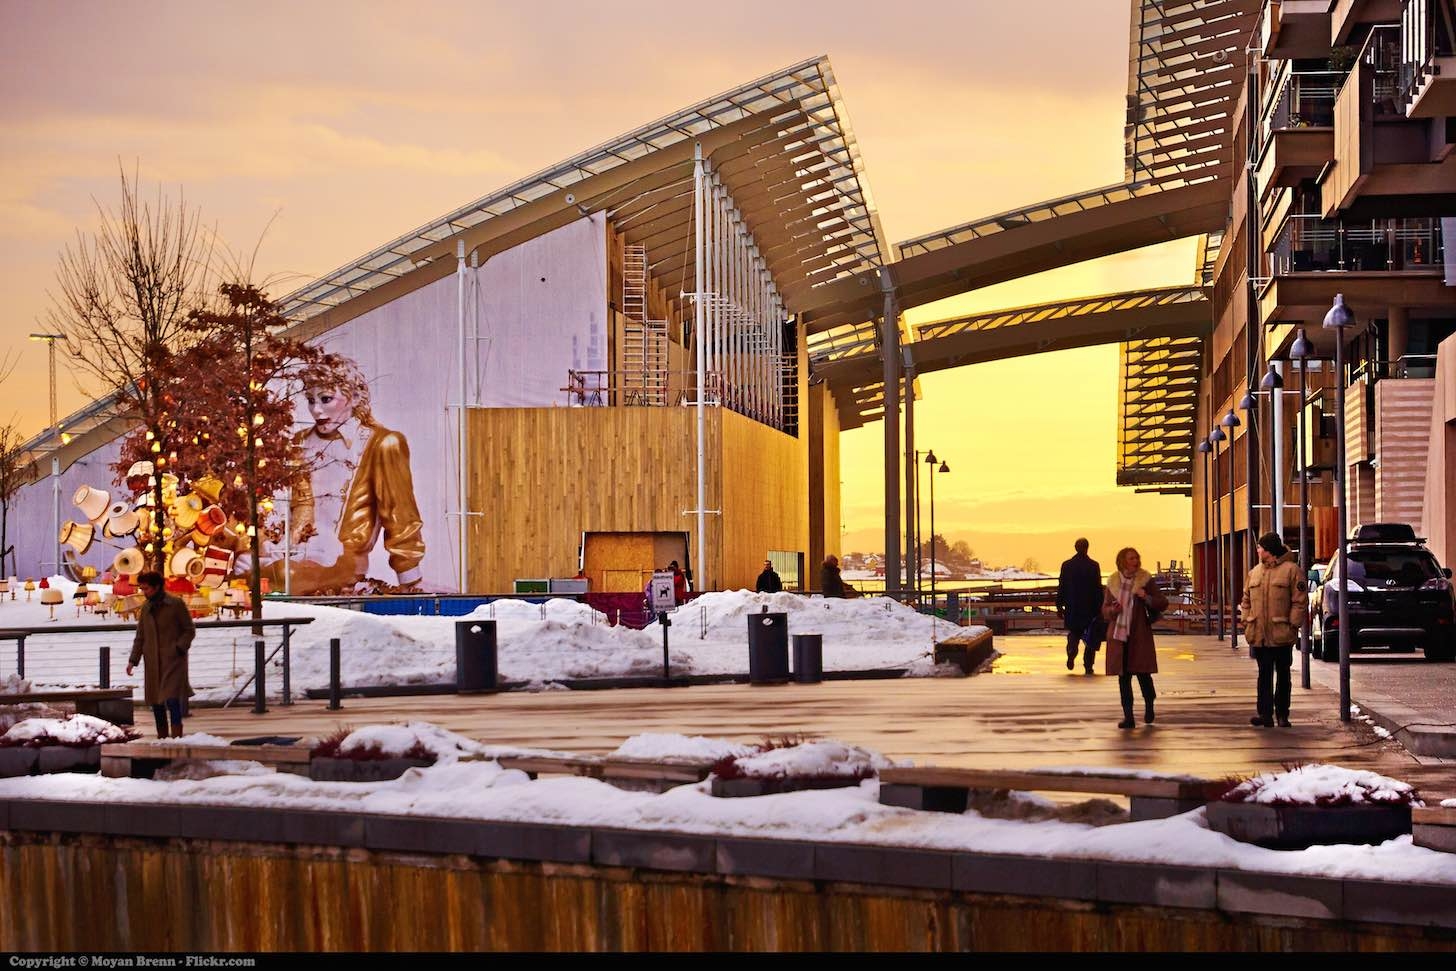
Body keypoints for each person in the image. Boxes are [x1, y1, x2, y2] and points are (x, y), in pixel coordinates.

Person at [267, 367, 426, 593]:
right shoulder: (297, 443)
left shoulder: (381, 443)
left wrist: (410, 580)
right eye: (311, 400)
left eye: (326, 399)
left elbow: (399, 513)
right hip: (290, 568)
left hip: (344, 571)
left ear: (354, 397)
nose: (316, 410)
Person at [1239, 532, 1308, 729]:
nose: (1258, 550)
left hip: (1282, 634)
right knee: (1264, 675)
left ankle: (1283, 714)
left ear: (1268, 550)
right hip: (1259, 635)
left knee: (1283, 676)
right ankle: (1265, 714)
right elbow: (1245, 600)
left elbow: (1300, 600)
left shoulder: (1291, 571)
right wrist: (1247, 620)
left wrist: (1292, 624)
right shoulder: (1254, 573)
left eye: (1260, 547)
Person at [1101, 547, 1167, 730]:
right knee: (1124, 678)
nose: (1135, 561)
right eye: (1131, 558)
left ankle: (1149, 706)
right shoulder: (1113, 582)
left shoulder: (1145, 580)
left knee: (1144, 675)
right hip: (1119, 637)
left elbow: (1162, 602)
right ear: (1122, 561)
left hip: (1139, 635)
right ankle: (1128, 717)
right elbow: (1104, 610)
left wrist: (1146, 597)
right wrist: (1113, 610)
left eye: (1137, 558)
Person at [126, 570, 195, 739]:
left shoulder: (175, 604)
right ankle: (162, 738)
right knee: (156, 702)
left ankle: (177, 737)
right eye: (142, 589)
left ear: (157, 587)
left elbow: (189, 629)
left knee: (172, 699)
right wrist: (133, 660)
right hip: (153, 663)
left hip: (173, 661)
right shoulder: (146, 608)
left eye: (147, 589)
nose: (144, 592)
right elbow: (140, 637)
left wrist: (179, 648)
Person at [1056, 538, 1104, 674]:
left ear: (1075, 548)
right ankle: (1088, 665)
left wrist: (1059, 605)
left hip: (1072, 606)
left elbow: (1062, 586)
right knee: (1091, 637)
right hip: (1090, 607)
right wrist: (1100, 607)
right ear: (1087, 548)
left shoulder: (1067, 565)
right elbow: (1098, 588)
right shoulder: (1094, 565)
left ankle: (1072, 651)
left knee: (1074, 633)